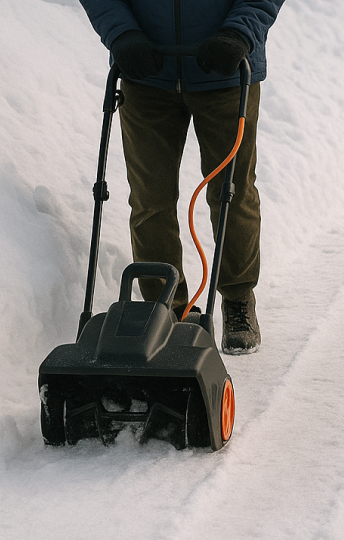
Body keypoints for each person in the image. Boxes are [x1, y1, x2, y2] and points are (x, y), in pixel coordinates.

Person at [79, 0, 283, 354]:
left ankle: (237, 299)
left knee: (231, 192)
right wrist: (122, 33)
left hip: (226, 68)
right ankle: (162, 309)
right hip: (145, 70)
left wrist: (239, 32)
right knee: (149, 199)